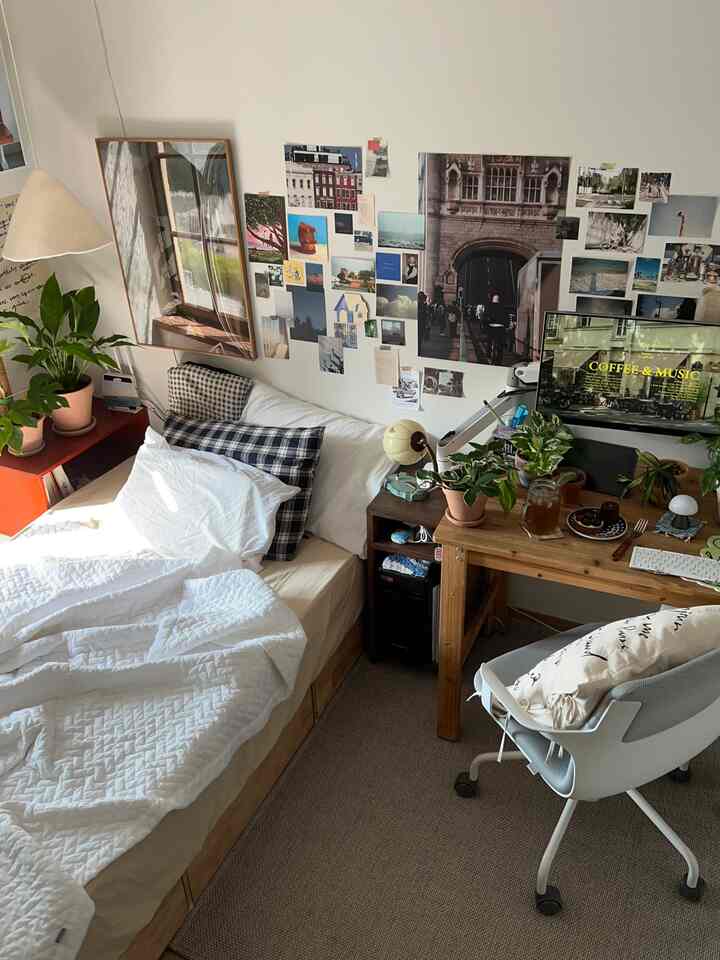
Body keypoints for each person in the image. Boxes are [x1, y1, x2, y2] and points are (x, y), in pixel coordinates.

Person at [485, 293, 508, 364]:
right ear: (499, 300)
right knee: (500, 344)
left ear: (492, 299)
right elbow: (506, 318)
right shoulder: (502, 307)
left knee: (489, 340)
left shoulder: (489, 306)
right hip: (500, 328)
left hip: (491, 327)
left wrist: (485, 325)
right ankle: (499, 359)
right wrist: (506, 326)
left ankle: (488, 354)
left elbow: (485, 317)